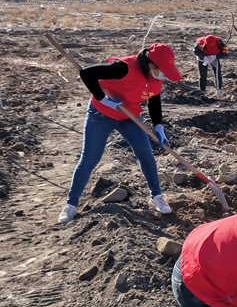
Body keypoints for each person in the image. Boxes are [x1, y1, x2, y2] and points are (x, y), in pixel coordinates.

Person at [58, 43, 182, 223]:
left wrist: (158, 126)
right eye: (160, 69)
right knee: (90, 158)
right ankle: (70, 205)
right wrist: (103, 99)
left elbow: (154, 99)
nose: (162, 74)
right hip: (102, 113)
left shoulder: (155, 75)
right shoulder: (123, 68)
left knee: (146, 154)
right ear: (149, 62)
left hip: (129, 117)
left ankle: (156, 196)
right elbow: (86, 73)